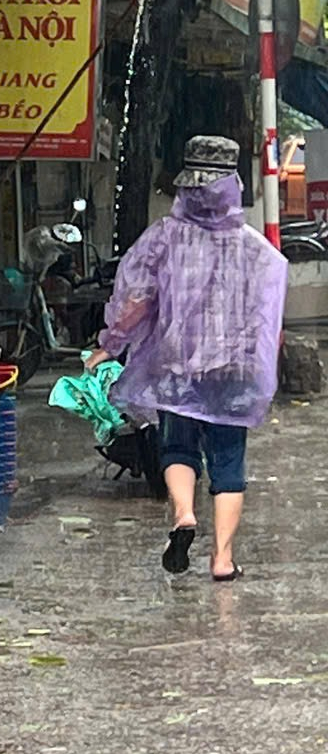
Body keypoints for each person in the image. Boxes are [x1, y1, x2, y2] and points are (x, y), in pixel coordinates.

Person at [87, 136, 288, 581]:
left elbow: (136, 300)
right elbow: (267, 317)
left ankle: (183, 515)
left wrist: (111, 343)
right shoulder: (256, 250)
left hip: (177, 367)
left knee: (177, 447)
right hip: (233, 372)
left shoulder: (163, 238)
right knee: (229, 463)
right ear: (232, 186)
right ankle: (222, 559)